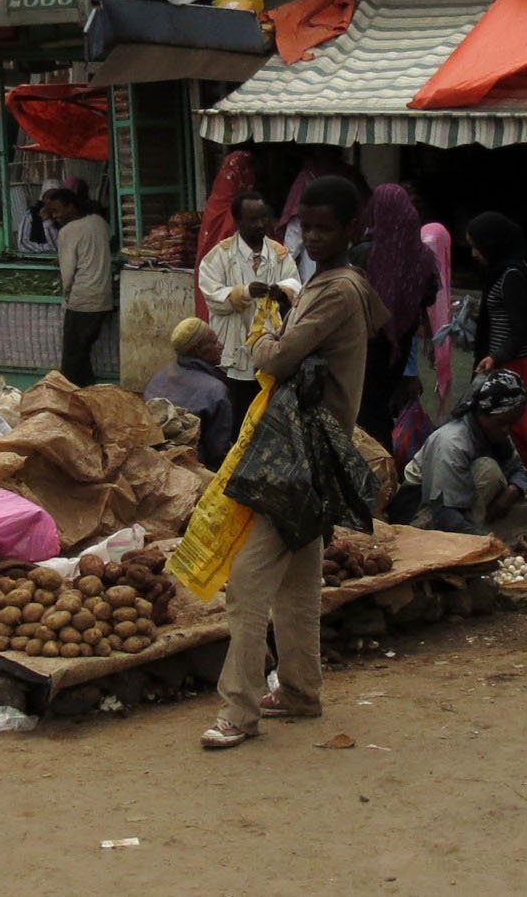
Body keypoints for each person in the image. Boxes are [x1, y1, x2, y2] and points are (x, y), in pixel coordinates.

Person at [204, 175, 383, 750]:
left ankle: (238, 710)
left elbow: (277, 359)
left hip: (299, 456)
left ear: (353, 229)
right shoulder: (335, 284)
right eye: (309, 227)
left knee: (247, 583)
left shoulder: (335, 290)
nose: (316, 237)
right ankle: (301, 691)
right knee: (300, 580)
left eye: (328, 228)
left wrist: (262, 337)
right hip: (318, 452)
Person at [406, 369, 527, 540]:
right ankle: (477, 539)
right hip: (427, 513)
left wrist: (511, 492)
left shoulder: (497, 432)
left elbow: (518, 469)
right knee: (488, 469)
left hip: (473, 507)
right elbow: (443, 511)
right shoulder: (452, 442)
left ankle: (482, 534)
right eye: (501, 422)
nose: (506, 429)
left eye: (512, 423)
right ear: (481, 412)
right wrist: (486, 543)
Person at [351, 183, 438, 447]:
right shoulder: (422, 256)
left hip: (365, 345)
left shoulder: (365, 252)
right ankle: (384, 462)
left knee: (362, 410)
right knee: (381, 407)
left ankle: (370, 464)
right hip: (401, 343)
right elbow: (429, 296)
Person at [196, 190, 295, 420]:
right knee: (236, 416)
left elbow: (295, 287)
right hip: (233, 351)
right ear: (238, 221)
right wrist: (244, 293)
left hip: (269, 351)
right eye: (252, 219)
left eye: (263, 217)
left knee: (267, 418)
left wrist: (283, 292)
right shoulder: (219, 256)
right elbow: (212, 295)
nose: (260, 224)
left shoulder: (280, 255)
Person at [468, 212, 527, 473]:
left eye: (477, 246)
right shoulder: (499, 273)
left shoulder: (512, 276)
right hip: (501, 360)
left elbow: (520, 328)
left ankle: (524, 478)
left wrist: (497, 356)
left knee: (517, 424)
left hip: (516, 363)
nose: (474, 254)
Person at [143, 317, 237, 468]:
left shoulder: (158, 377)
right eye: (214, 342)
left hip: (154, 463)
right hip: (192, 468)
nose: (221, 346)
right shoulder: (215, 390)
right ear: (200, 350)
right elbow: (218, 450)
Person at [43, 187, 114, 387]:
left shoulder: (68, 231)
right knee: (82, 355)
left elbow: (67, 273)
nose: (55, 216)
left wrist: (66, 298)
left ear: (71, 206)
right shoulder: (99, 222)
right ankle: (87, 394)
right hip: (103, 298)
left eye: (57, 210)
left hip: (82, 299)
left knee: (72, 359)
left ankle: (73, 397)